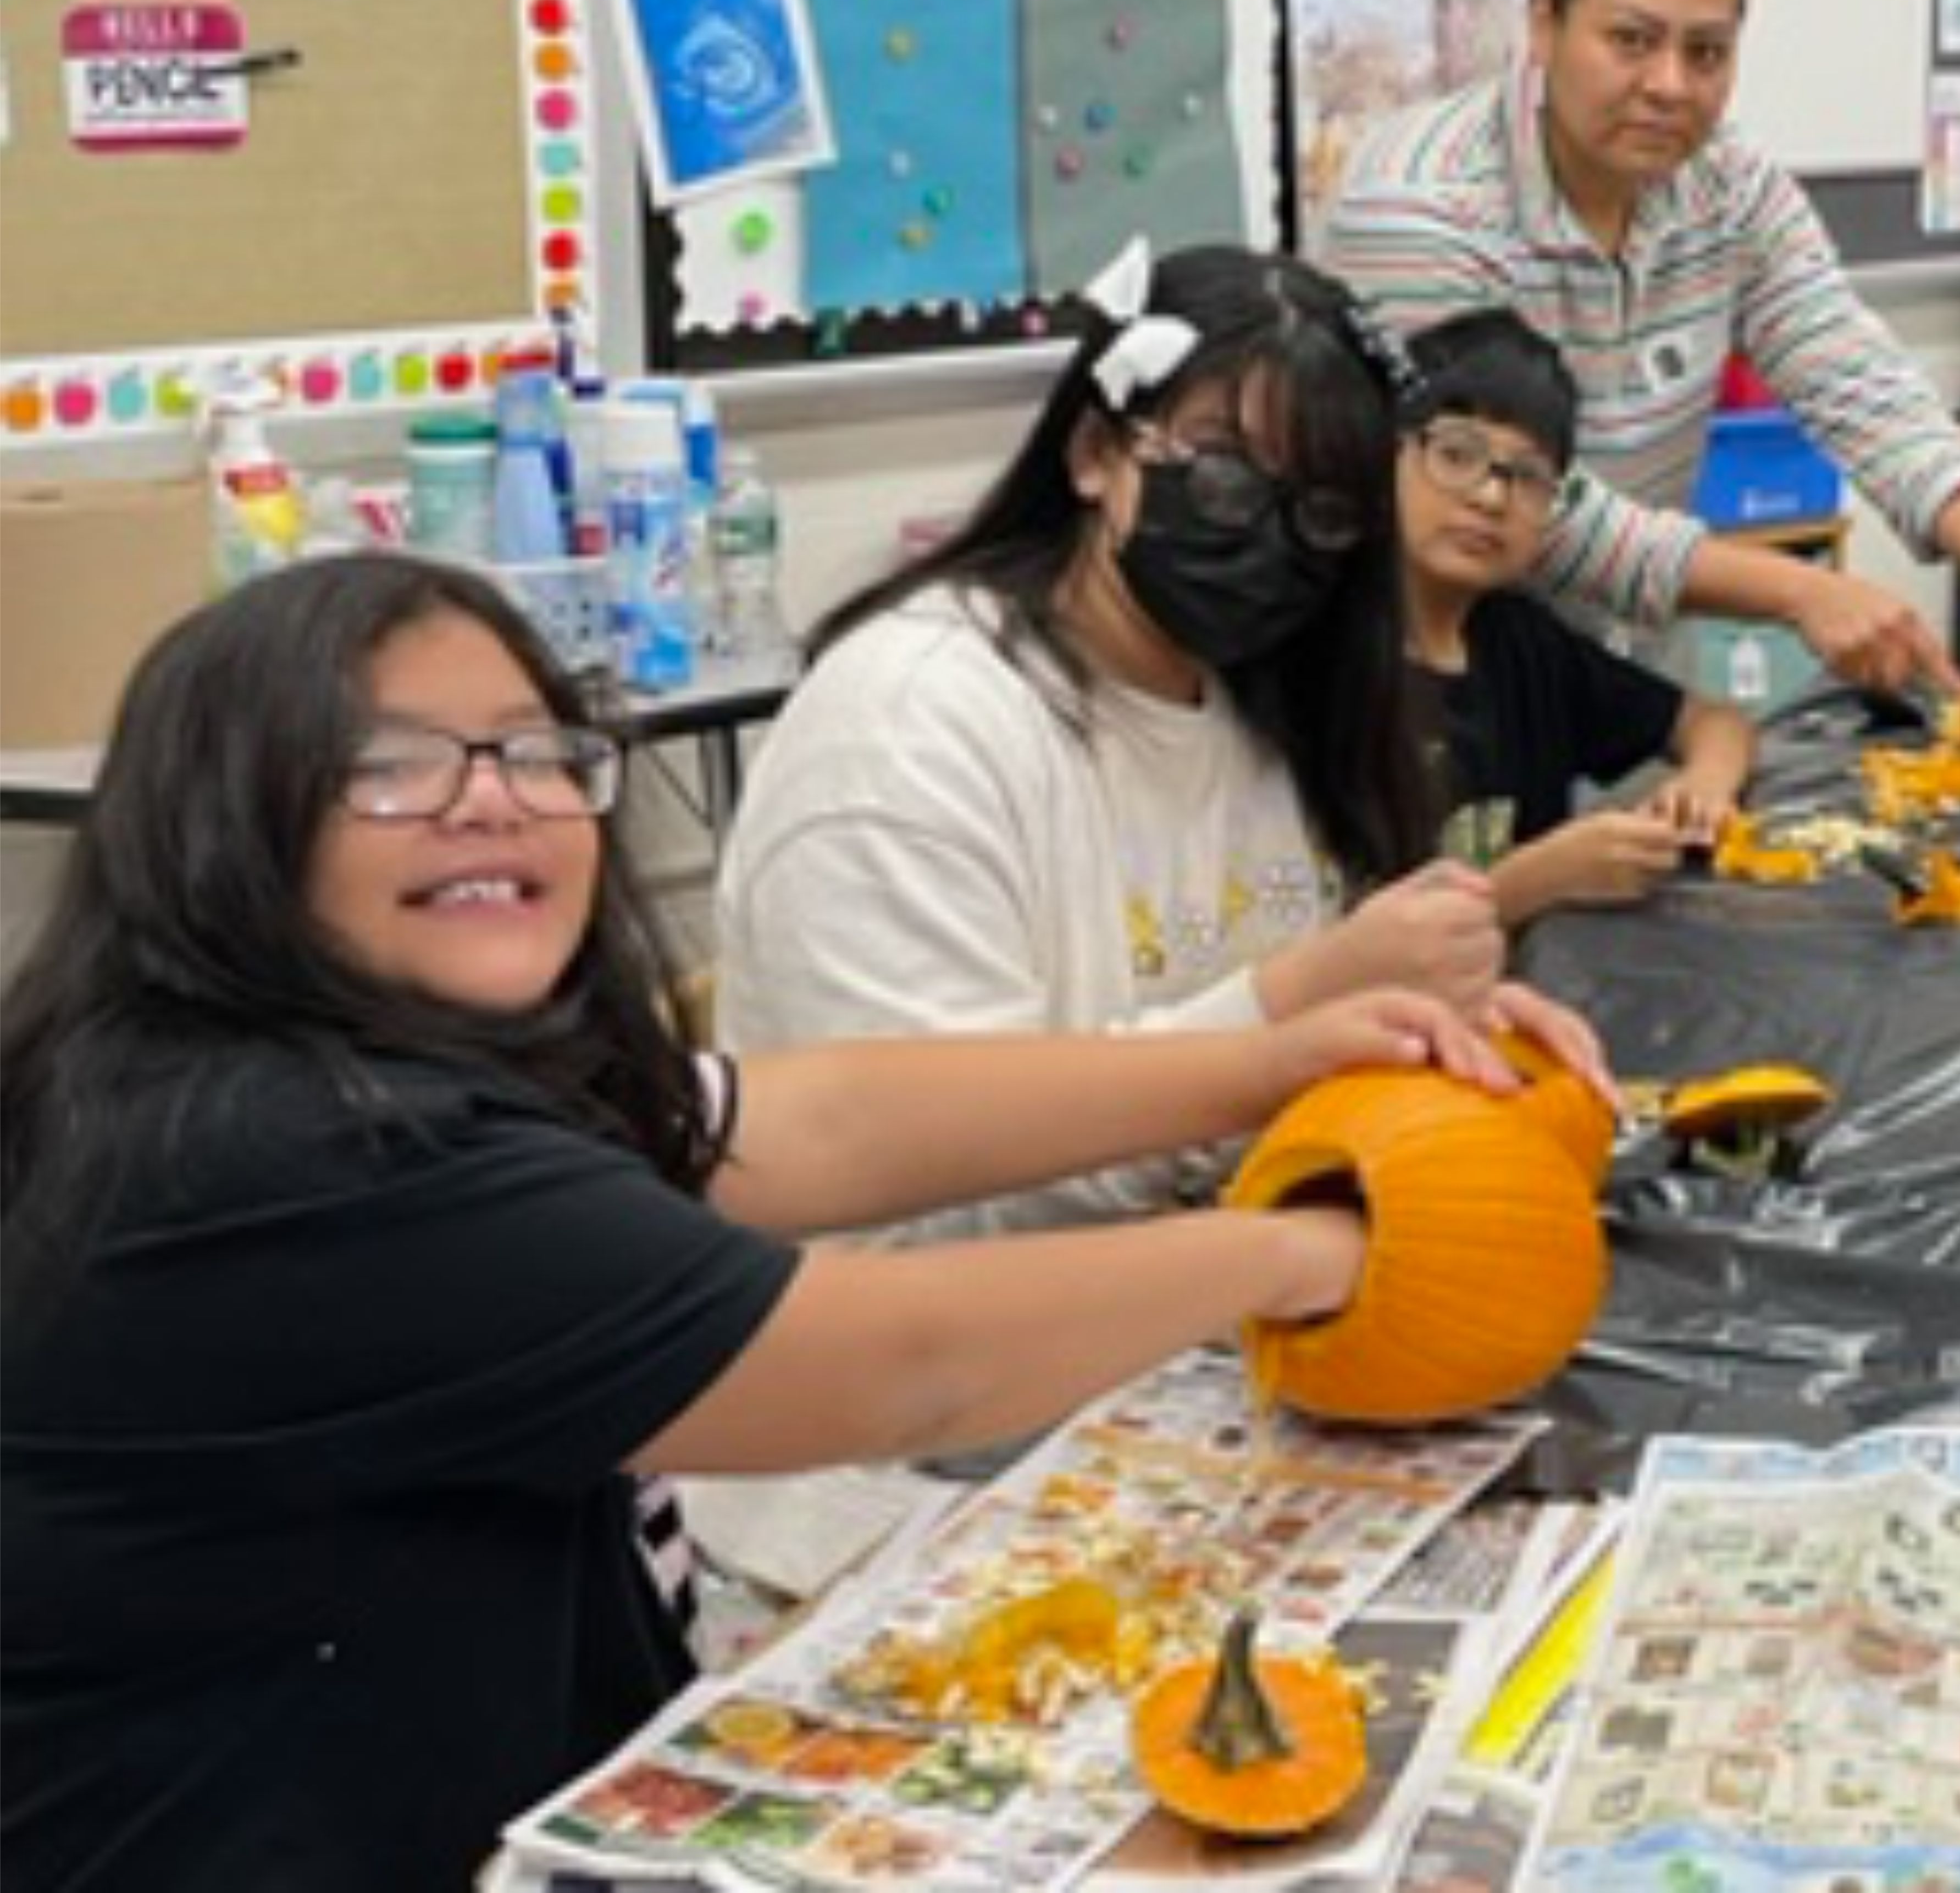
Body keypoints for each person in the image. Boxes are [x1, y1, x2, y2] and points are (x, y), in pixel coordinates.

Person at [0, 556, 1578, 1889]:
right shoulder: (287, 1152)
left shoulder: (392, 1069)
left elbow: (810, 1121)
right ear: (221, 825)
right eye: (394, 763)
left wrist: (1264, 1062)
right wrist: (1326, 1246)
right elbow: (895, 1366)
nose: (495, 804)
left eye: (535, 751)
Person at [718, 240, 1513, 1244]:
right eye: (1223, 479)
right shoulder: (907, 729)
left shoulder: (1279, 712)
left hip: (1208, 1313)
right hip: (951, 1364)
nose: (1265, 539)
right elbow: (926, 1200)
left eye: (1318, 513)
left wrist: (1452, 1040)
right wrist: (1291, 1012)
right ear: (1096, 452)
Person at [1324, 0, 1960, 698]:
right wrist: (1796, 589)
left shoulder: (1727, 185)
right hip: (1433, 671)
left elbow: (1854, 373)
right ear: (1543, 24)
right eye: (1631, 40)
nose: (1670, 85)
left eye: (1705, 52)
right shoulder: (1420, 202)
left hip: (1628, 663)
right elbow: (1526, 501)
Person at [1398, 307, 1757, 923]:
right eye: (1457, 454)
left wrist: (1705, 784)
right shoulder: (1334, 669)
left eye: (1528, 477)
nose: (1490, 496)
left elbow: (1716, 722)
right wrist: (1540, 879)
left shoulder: (1523, 643)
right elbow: (1340, 948)